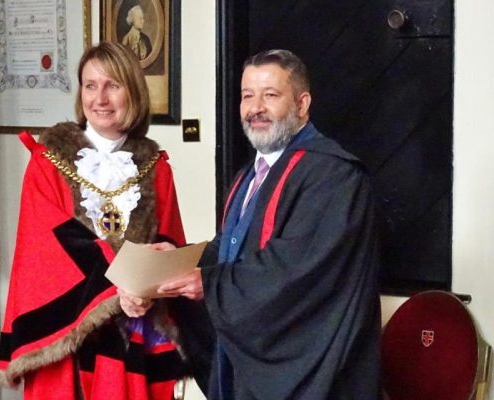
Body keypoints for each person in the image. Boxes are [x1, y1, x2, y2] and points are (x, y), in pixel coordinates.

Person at [120, 49, 382, 399]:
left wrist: (208, 282)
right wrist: (176, 262)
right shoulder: (253, 174)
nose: (255, 107)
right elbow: (230, 250)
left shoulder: (334, 176)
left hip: (314, 376)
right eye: (247, 96)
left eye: (270, 95)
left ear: (302, 104)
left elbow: (296, 269)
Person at [0, 41, 188, 400]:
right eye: (90, 85)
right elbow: (47, 247)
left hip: (136, 330)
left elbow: (170, 244)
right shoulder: (47, 164)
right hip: (68, 335)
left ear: (133, 91)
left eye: (113, 85)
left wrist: (146, 290)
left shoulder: (157, 168)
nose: (100, 99)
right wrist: (118, 289)